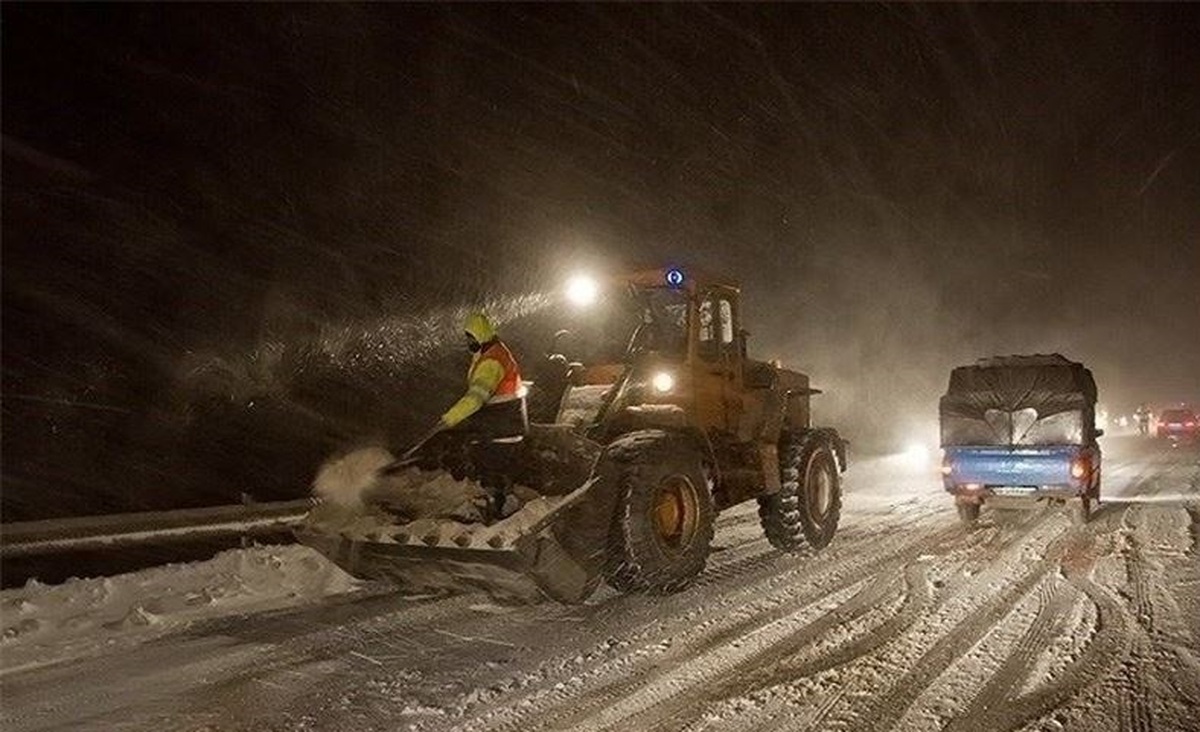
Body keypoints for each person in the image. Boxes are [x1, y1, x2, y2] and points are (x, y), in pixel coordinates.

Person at [435, 312, 528, 517]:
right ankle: (504, 503)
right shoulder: (493, 352)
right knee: (494, 464)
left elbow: (476, 397)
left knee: (487, 464)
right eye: (467, 337)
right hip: (505, 422)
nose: (469, 341)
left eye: (472, 337)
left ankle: (488, 506)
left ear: (481, 335)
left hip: (500, 424)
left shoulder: (491, 361)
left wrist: (450, 418)